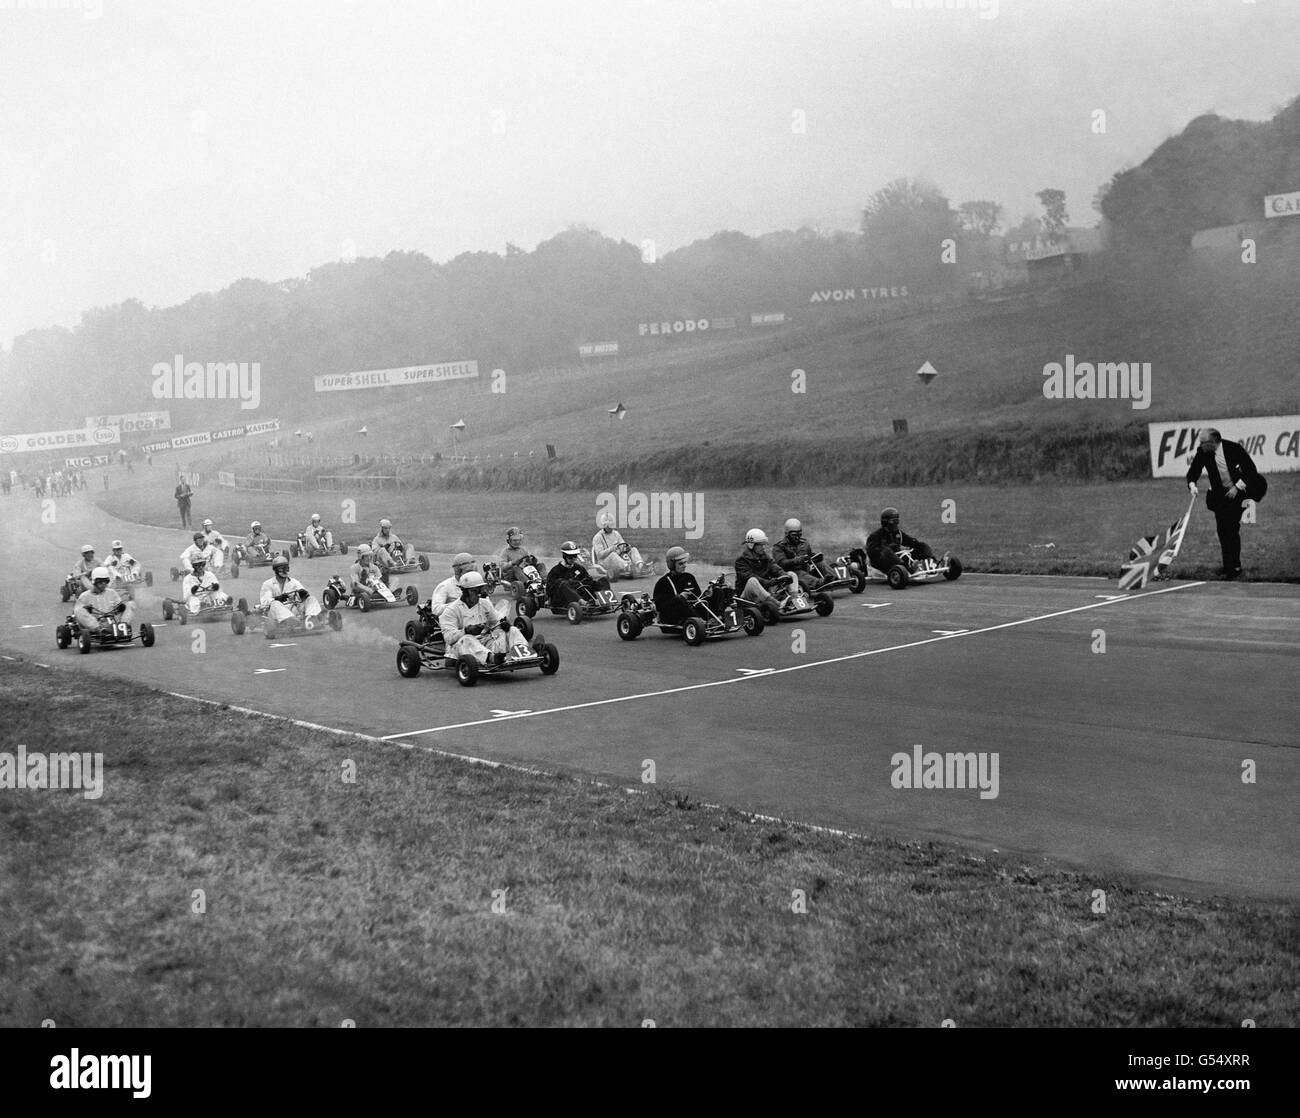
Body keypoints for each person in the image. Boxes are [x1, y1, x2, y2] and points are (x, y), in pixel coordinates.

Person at [1186, 428, 1267, 580]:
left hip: (1238, 493)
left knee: (1232, 529)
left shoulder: (1233, 449)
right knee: (1223, 531)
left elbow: (1251, 470)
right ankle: (1227, 567)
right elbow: (1194, 470)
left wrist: (1237, 487)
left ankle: (1235, 567)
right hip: (1220, 496)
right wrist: (1192, 485)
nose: (1200, 445)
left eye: (1203, 443)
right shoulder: (1203, 452)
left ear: (1213, 442)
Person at [440, 571, 532, 667]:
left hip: (484, 643)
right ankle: (491, 658)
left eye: (480, 590)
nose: (479, 594)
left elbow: (496, 621)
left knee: (512, 630)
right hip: (460, 649)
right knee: (467, 639)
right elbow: (449, 638)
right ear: (465, 592)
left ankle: (525, 653)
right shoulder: (451, 610)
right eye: (475, 591)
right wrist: (466, 630)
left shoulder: (484, 604)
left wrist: (503, 624)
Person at [734, 528, 798, 621]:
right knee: (752, 581)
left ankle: (794, 600)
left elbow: (775, 567)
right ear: (752, 545)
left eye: (764, 544)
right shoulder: (741, 561)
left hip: (765, 592)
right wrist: (768, 582)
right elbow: (749, 576)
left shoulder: (765, 557)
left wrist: (784, 576)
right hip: (747, 597)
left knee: (791, 574)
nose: (764, 547)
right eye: (761, 545)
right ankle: (778, 604)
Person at [545, 540, 612, 610]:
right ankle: (583, 603)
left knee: (603, 580)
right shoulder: (556, 570)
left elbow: (589, 580)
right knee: (563, 583)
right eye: (570, 557)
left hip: (580, 593)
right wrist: (569, 583)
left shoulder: (579, 568)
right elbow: (549, 590)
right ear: (564, 556)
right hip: (561, 599)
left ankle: (606, 601)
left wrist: (593, 584)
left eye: (575, 556)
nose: (573, 559)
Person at [865, 507, 935, 574]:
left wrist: (918, 546)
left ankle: (932, 562)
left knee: (921, 545)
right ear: (886, 522)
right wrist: (886, 548)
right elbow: (871, 552)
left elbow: (911, 542)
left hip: (898, 558)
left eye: (897, 520)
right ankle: (908, 569)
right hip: (883, 563)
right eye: (893, 521)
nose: (896, 523)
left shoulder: (898, 533)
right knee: (887, 551)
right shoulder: (875, 536)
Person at [772, 518, 833, 590]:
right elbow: (781, 563)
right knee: (800, 573)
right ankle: (819, 583)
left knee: (820, 564)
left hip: (806, 569)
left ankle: (834, 578)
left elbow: (809, 555)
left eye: (799, 534)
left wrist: (815, 557)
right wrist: (796, 560)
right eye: (794, 535)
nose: (797, 537)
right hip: (791, 572)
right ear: (787, 534)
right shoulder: (779, 547)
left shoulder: (804, 543)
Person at [259, 555, 321, 626]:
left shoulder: (293, 582)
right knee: (275, 604)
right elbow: (264, 602)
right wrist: (278, 598)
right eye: (282, 569)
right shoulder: (268, 584)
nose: (285, 571)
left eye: (286, 568)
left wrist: (303, 593)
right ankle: (291, 621)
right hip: (277, 614)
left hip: (294, 611)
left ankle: (311, 618)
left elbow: (304, 594)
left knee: (311, 599)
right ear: (276, 570)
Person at [653, 546, 706, 626]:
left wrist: (709, 593)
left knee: (718, 590)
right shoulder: (663, 582)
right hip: (673, 617)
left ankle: (718, 617)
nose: (684, 565)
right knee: (679, 598)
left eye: (685, 562)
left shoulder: (689, 577)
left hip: (691, 612)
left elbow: (698, 597)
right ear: (672, 565)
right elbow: (660, 606)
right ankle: (700, 622)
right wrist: (680, 598)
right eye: (680, 564)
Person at [591, 513, 653, 580]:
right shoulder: (597, 537)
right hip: (605, 561)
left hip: (619, 556)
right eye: (608, 526)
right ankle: (627, 567)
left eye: (611, 525)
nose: (610, 527)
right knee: (613, 554)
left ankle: (640, 566)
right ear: (603, 526)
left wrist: (627, 547)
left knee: (633, 549)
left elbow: (622, 544)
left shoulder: (616, 533)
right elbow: (599, 555)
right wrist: (611, 549)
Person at [75, 567, 132, 631]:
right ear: (94, 581)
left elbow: (119, 605)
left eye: (106, 581)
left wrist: (121, 607)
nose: (104, 583)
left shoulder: (112, 592)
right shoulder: (84, 596)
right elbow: (79, 612)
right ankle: (98, 629)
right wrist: (86, 609)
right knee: (78, 610)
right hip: (95, 622)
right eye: (101, 581)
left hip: (111, 620)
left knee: (130, 604)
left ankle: (123, 626)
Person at [496, 527, 546, 596]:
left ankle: (544, 580)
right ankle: (527, 583)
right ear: (509, 540)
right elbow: (502, 567)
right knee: (515, 568)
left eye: (518, 540)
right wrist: (512, 563)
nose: (517, 542)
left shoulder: (523, 550)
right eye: (514, 540)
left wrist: (532, 560)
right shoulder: (505, 552)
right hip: (511, 575)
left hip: (524, 571)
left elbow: (528, 562)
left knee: (541, 565)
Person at [427, 553, 477, 618]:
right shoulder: (445, 586)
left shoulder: (476, 584)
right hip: (454, 621)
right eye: (468, 572)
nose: (472, 574)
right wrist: (459, 605)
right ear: (458, 571)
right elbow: (436, 609)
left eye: (473, 571)